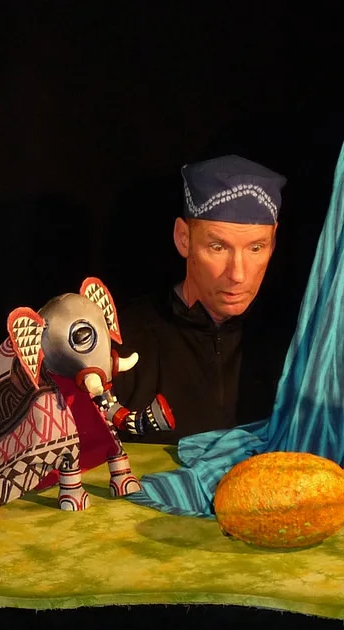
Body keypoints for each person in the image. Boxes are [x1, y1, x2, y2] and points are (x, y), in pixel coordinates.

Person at [110, 154, 290, 445]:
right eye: (218, 247)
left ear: (274, 241)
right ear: (184, 239)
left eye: (256, 248)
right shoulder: (125, 341)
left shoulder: (293, 341)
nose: (238, 274)